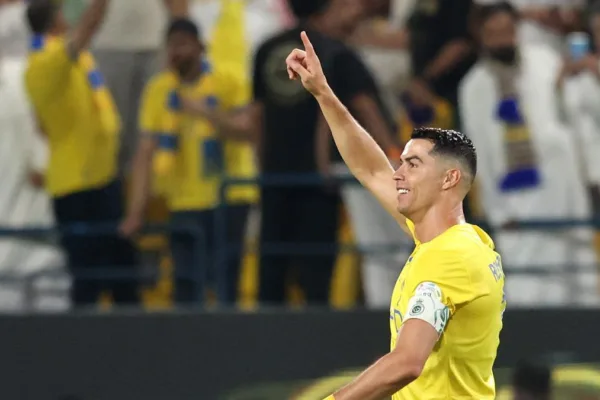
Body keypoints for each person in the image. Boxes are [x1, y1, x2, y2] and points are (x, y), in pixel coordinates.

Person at [286, 32, 505, 399]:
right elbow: (371, 169)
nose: (398, 173)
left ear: (449, 179)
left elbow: (407, 362)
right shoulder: (449, 241)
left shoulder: (451, 257)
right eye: (401, 163)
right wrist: (323, 93)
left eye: (412, 164)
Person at [460, 2, 597, 306]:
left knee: (578, 268)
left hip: (564, 185)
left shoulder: (544, 60)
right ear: (480, 37)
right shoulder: (474, 86)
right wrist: (497, 212)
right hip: (517, 199)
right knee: (529, 280)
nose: (503, 40)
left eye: (508, 31)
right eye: (494, 34)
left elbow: (571, 113)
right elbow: (479, 153)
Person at [121, 18, 257, 305]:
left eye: (183, 44)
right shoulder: (159, 90)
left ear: (200, 47)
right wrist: (136, 211)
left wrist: (204, 112)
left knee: (225, 284)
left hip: (229, 197)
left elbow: (248, 130)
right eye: (171, 46)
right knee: (185, 285)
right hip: (183, 202)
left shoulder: (228, 81)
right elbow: (145, 153)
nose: (176, 52)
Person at [24, 0, 138, 306]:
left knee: (123, 272)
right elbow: (90, 25)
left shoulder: (71, 58)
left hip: (102, 177)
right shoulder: (44, 63)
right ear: (54, 20)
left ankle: (133, 331)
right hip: (78, 186)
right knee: (88, 276)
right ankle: (85, 334)